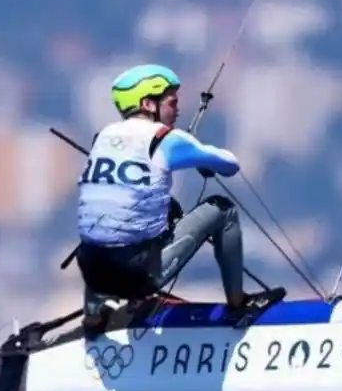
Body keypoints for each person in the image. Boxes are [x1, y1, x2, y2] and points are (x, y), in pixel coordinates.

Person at [75, 63, 278, 335]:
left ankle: (94, 318)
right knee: (223, 209)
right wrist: (201, 160)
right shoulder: (165, 138)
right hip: (138, 276)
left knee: (110, 224)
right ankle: (238, 304)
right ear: (149, 104)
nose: (178, 110)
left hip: (92, 272)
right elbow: (230, 164)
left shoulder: (102, 137)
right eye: (172, 102)